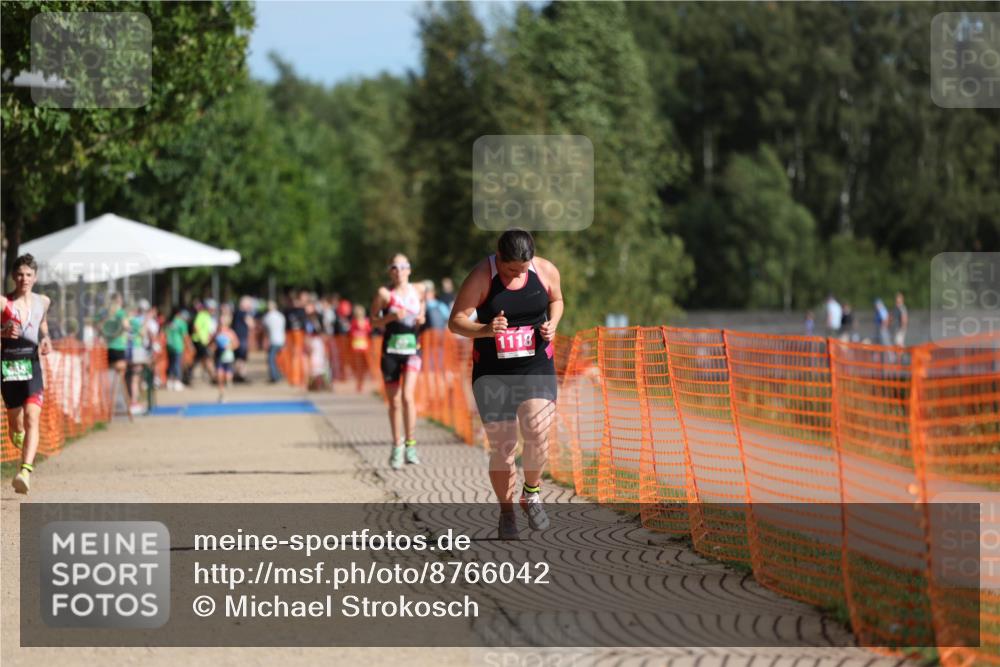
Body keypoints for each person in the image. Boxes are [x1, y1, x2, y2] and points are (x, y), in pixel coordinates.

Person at [448, 229, 563, 540]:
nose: (517, 274)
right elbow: (455, 320)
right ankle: (507, 512)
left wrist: (552, 323)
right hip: (493, 372)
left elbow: (557, 299)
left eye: (523, 269)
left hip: (535, 365)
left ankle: (532, 493)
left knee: (537, 432)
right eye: (511, 269)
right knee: (505, 446)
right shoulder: (481, 277)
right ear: (498, 259)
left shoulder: (545, 269)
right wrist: (485, 329)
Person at [1, 254, 52, 495]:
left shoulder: (43, 301)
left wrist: (46, 339)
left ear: (35, 277)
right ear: (13, 276)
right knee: (17, 424)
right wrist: (2, 331)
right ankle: (19, 437)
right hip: (9, 368)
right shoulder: (4, 303)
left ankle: (25, 471)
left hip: (32, 366)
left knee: (33, 417)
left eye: (29, 275)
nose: (24, 279)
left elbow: (42, 324)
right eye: (20, 274)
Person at [370, 253, 426, 470]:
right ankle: (397, 446)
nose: (399, 270)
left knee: (407, 396)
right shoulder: (385, 294)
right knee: (393, 402)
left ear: (409, 270)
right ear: (390, 271)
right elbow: (372, 321)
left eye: (403, 266)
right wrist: (390, 318)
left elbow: (422, 306)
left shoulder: (419, 289)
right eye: (395, 267)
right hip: (391, 350)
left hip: (413, 348)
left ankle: (411, 445)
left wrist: (421, 316)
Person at [101, 292, 131, 415]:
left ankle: (110, 405)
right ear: (119, 301)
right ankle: (117, 406)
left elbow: (100, 326)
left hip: (108, 348)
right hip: (118, 347)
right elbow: (126, 326)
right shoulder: (120, 313)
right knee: (120, 378)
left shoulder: (105, 312)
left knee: (111, 377)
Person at [127, 300, 157, 415]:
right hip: (136, 349)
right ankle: (134, 402)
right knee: (135, 377)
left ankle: (135, 401)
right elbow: (143, 333)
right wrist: (146, 321)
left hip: (135, 349)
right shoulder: (136, 320)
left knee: (137, 377)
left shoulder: (133, 319)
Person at [213, 313, 238, 402]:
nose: (221, 323)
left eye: (223, 321)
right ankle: (221, 394)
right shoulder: (216, 333)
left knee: (227, 376)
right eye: (220, 321)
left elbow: (236, 344)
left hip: (228, 357)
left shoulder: (231, 333)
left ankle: (228, 387)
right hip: (219, 357)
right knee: (219, 376)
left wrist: (229, 347)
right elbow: (212, 344)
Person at [190, 302, 216, 384]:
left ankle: (190, 375)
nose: (213, 310)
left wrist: (209, 338)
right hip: (199, 341)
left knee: (198, 359)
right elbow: (195, 326)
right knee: (207, 359)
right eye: (212, 309)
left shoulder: (208, 317)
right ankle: (214, 377)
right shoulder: (202, 315)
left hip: (204, 342)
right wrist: (200, 337)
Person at [348, 304, 372, 393]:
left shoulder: (364, 322)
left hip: (361, 347)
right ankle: (359, 384)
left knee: (362, 367)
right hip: (360, 347)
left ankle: (360, 383)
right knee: (361, 367)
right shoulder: (357, 322)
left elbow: (369, 332)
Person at [262, 300, 286, 383]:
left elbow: (265, 330)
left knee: (271, 359)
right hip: (281, 340)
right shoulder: (281, 316)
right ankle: (279, 374)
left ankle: (275, 377)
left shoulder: (267, 317)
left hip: (273, 341)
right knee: (278, 359)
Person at [165, 309, 189, 391]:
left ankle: (170, 381)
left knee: (171, 363)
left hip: (170, 345)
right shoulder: (182, 323)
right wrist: (189, 346)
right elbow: (185, 335)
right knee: (177, 364)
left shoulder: (171, 322)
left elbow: (166, 332)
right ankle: (177, 381)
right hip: (178, 345)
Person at [232, 296, 254, 383]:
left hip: (235, 338)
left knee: (237, 358)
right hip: (242, 338)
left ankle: (237, 375)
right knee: (242, 358)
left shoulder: (236, 312)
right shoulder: (244, 313)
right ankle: (241, 375)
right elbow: (251, 324)